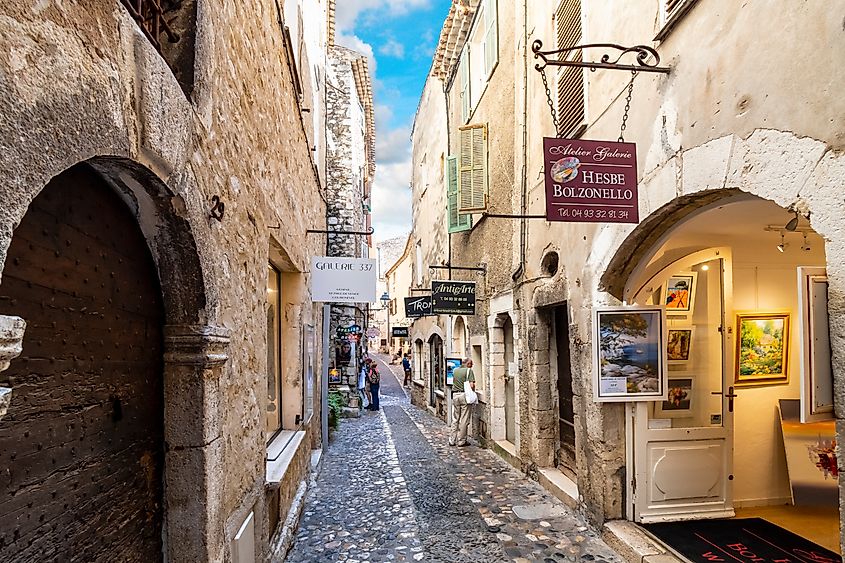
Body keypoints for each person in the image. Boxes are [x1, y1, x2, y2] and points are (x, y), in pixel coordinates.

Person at [449, 358, 475, 447]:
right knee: (464, 419)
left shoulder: (455, 370)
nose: (472, 365)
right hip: (464, 395)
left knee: (455, 418)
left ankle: (452, 440)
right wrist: (473, 390)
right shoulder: (469, 371)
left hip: (455, 395)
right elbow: (471, 385)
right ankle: (461, 440)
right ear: (467, 364)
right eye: (471, 363)